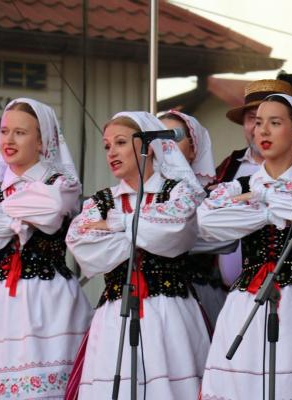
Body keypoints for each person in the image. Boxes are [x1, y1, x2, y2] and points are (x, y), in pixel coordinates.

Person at [198, 94, 292, 399]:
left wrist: (263, 199)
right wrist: (269, 213)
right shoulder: (240, 185)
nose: (262, 131)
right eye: (259, 123)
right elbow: (208, 220)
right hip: (245, 302)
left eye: (275, 123)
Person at [0, 98, 92, 399]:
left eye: (20, 132)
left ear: (41, 141)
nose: (9, 140)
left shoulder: (61, 183)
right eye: (4, 131)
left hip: (49, 300)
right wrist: (20, 219)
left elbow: (51, 208)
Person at [65, 112, 210, 399]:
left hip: (169, 314)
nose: (112, 152)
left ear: (149, 147)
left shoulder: (177, 191)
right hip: (115, 315)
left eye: (120, 142)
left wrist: (118, 225)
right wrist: (145, 234)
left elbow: (177, 229)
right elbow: (83, 245)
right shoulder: (101, 200)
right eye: (107, 146)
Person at [216, 79, 292, 288]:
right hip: (232, 292)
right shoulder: (228, 167)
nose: (261, 129)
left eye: (273, 121)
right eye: (254, 119)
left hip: (290, 289)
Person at [159, 110, 226, 327]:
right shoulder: (138, 196)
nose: (167, 146)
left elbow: (224, 240)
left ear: (193, 149)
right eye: (160, 138)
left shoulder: (211, 198)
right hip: (147, 300)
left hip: (197, 295)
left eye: (175, 137)